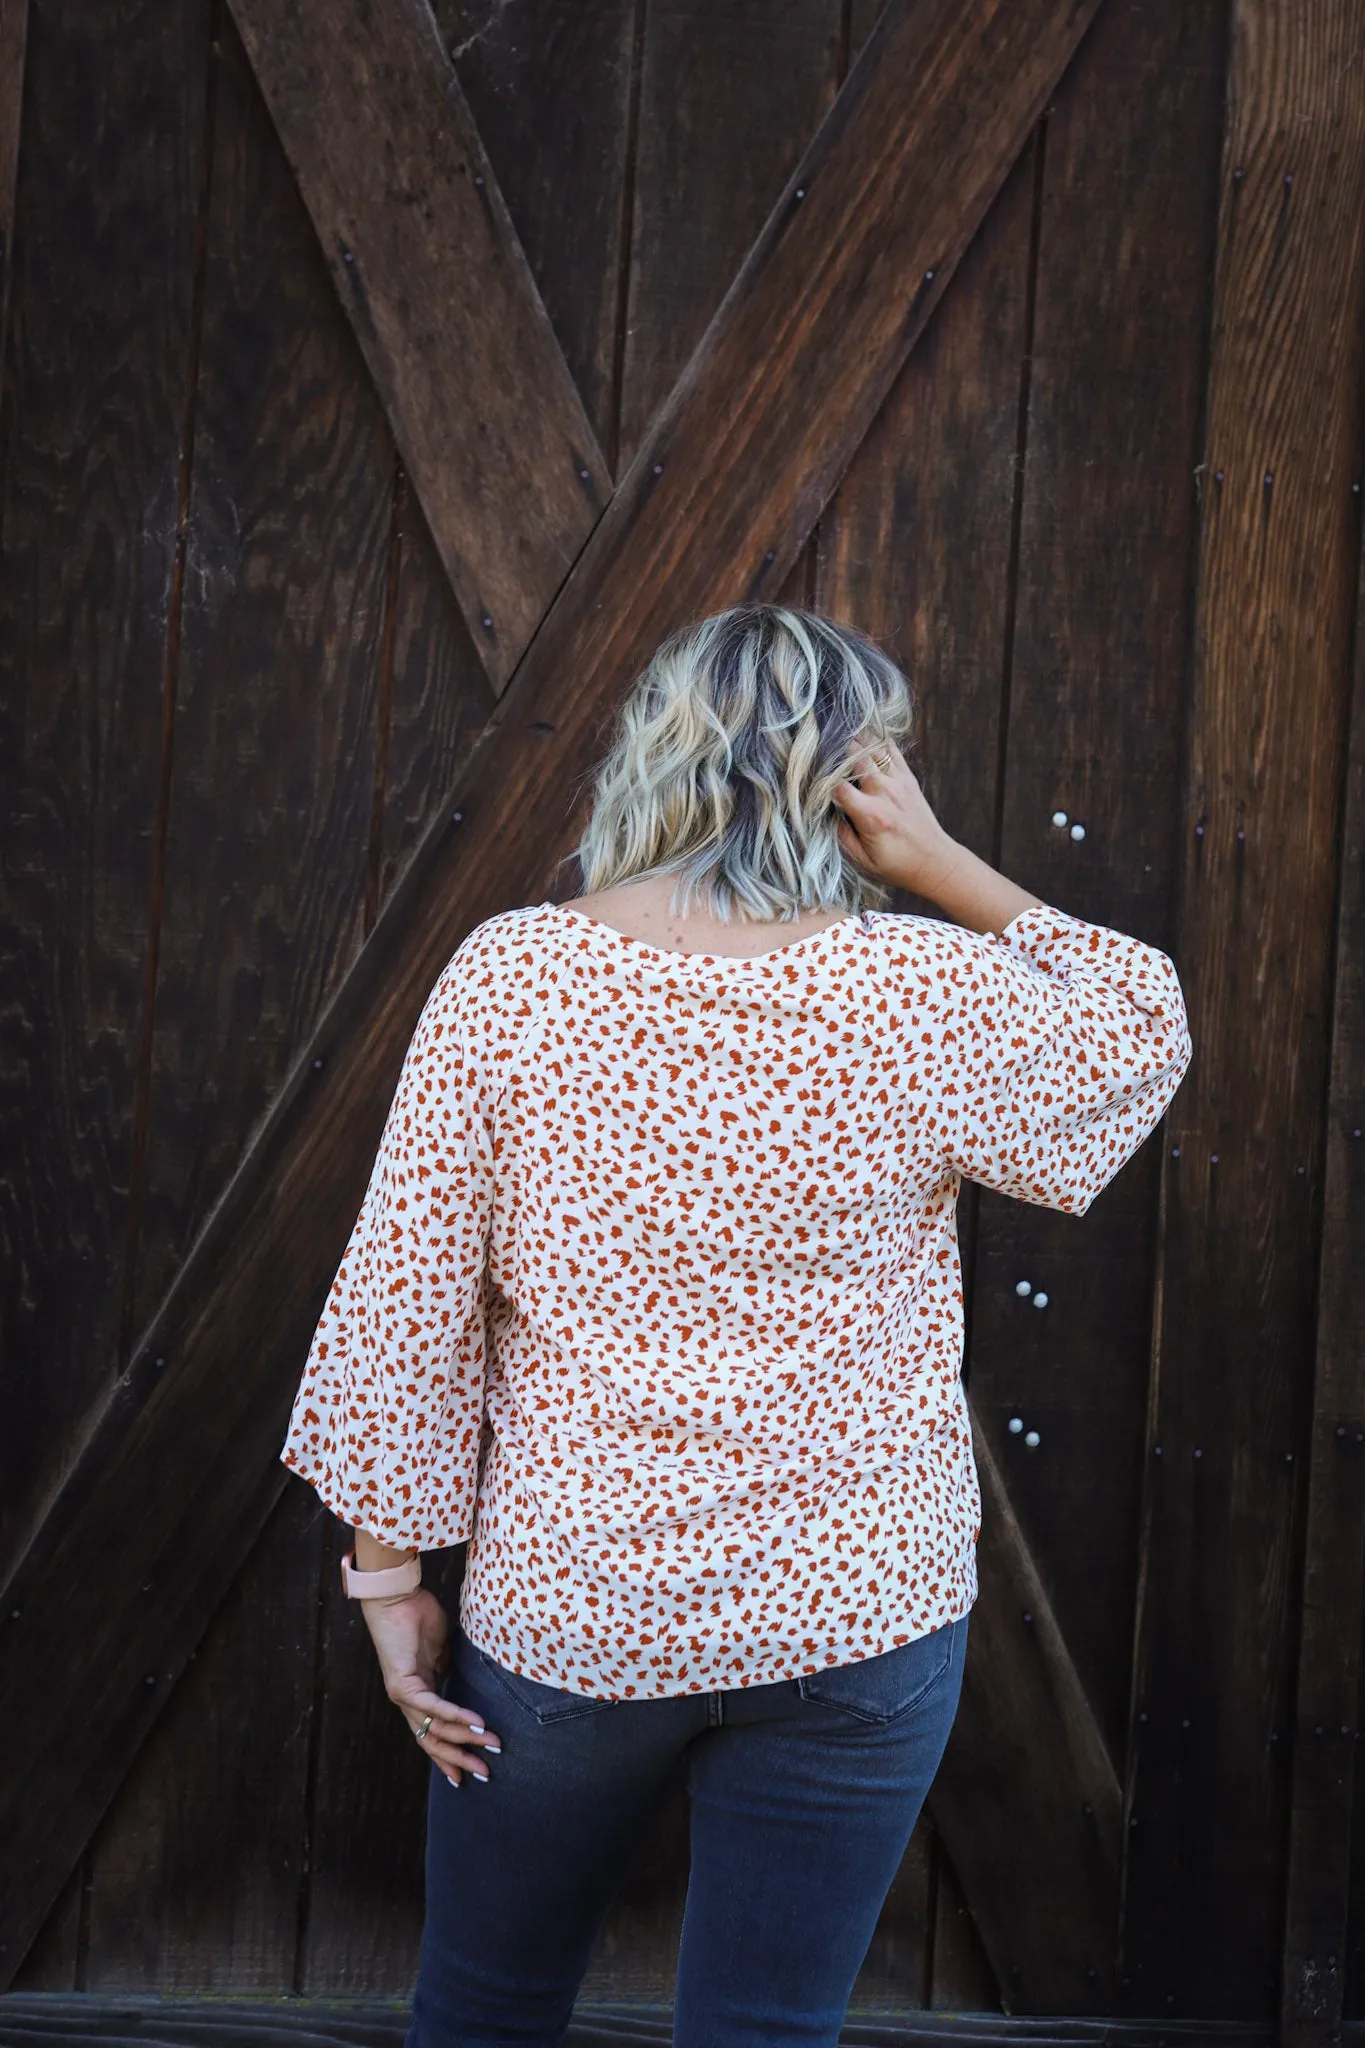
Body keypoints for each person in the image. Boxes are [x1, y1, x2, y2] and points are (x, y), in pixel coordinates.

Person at [281, 605, 1191, 2048]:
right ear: (855, 779)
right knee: (768, 2031)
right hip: (861, 1614)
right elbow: (1138, 1021)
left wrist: (389, 1587)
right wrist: (944, 865)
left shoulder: (512, 977)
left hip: (580, 1608)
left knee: (484, 2007)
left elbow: (408, 1296)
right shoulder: (925, 988)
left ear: (653, 754)